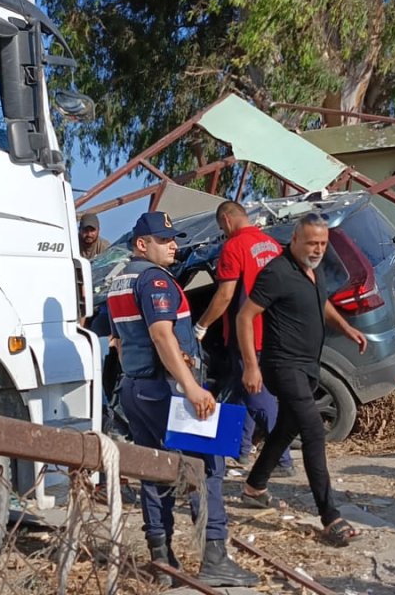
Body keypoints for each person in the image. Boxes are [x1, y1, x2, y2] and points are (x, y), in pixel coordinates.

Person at [107, 211, 259, 587]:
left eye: (173, 238)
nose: (173, 245)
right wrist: (191, 385)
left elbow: (118, 342)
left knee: (154, 470)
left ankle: (162, 562)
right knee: (206, 468)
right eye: (163, 240)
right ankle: (215, 559)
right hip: (168, 390)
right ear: (142, 244)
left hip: (134, 388)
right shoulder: (154, 280)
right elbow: (162, 335)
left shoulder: (118, 281)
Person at [235, 212, 366, 547]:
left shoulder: (313, 269)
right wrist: (251, 366)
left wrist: (346, 327)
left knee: (286, 428)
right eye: (311, 242)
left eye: (322, 243)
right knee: (312, 431)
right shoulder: (277, 272)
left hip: (308, 364)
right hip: (282, 366)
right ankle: (330, 516)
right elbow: (244, 316)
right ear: (295, 240)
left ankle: (254, 486)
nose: (318, 249)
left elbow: (319, 302)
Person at [194, 201, 293, 472]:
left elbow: (226, 295)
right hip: (274, 331)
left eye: (221, 228)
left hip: (246, 333)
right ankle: (240, 449)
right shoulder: (272, 245)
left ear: (226, 220)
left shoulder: (233, 247)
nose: (223, 232)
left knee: (258, 396)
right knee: (239, 393)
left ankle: (282, 459)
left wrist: (201, 327)